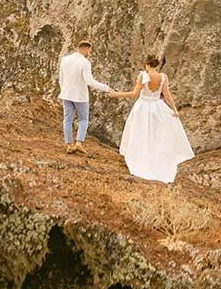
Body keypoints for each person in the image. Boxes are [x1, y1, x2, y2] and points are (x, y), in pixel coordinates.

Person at [117, 54, 195, 183]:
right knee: (156, 135)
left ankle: (142, 158)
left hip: (143, 107)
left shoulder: (143, 76)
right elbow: (167, 94)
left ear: (147, 64)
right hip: (158, 108)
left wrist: (117, 94)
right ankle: (156, 159)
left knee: (141, 133)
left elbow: (134, 94)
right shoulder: (163, 77)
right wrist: (174, 109)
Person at [57, 38, 111, 153]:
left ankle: (69, 145)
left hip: (66, 94)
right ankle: (79, 143)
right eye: (89, 51)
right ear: (86, 49)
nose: (89, 53)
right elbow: (89, 82)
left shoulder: (65, 59)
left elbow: (61, 78)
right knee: (83, 119)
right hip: (80, 96)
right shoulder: (85, 63)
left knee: (67, 120)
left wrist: (64, 90)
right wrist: (106, 88)